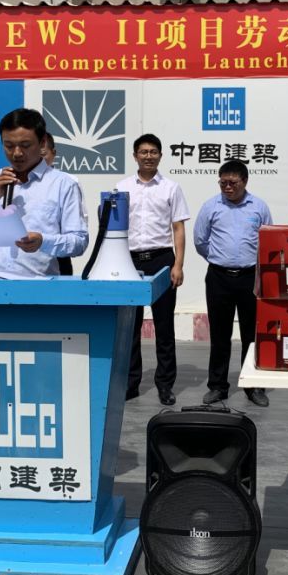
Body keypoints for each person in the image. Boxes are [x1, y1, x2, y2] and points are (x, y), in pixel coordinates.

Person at [0, 108, 88, 277]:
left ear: (42, 142)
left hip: (37, 286)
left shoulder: (63, 184)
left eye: (25, 145)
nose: (16, 153)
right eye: (9, 146)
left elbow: (79, 242)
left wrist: (43, 241)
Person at [116, 134, 190, 407]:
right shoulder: (122, 187)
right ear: (135, 155)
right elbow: (116, 228)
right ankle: (130, 383)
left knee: (164, 325)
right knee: (130, 326)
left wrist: (178, 265)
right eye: (143, 151)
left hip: (162, 260)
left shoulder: (171, 188)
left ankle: (165, 384)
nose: (148, 156)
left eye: (153, 151)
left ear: (160, 155)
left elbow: (178, 228)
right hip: (130, 260)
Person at [195, 160, 273, 408]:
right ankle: (217, 386)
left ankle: (253, 386)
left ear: (245, 181)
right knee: (220, 334)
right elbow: (200, 241)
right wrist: (221, 259)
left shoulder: (259, 207)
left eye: (232, 183)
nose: (227, 187)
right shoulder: (211, 206)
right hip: (218, 277)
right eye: (223, 183)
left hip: (250, 277)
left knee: (252, 334)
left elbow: (268, 240)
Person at [41, 132, 85, 276]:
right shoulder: (13, 181)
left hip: (58, 257)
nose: (39, 160)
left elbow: (78, 229)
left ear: (53, 153)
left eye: (43, 155)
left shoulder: (68, 182)